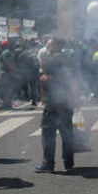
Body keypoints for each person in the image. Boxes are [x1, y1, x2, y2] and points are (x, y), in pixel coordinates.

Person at [35, 38, 77, 173]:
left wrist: (43, 80)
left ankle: (48, 164)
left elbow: (45, 79)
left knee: (48, 133)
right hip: (67, 101)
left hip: (53, 102)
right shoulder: (69, 58)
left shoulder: (51, 61)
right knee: (67, 133)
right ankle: (68, 163)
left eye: (48, 46)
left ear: (55, 46)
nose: (47, 49)